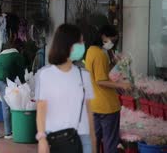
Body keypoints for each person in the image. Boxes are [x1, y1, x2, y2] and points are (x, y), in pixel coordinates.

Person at [35, 24, 95, 153]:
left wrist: (93, 143)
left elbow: (89, 113)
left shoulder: (84, 75)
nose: (83, 45)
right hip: (56, 139)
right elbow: (41, 109)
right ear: (69, 45)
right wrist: (41, 138)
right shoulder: (46, 75)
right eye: (80, 41)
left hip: (83, 139)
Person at [84, 24, 130, 153]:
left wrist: (113, 62)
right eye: (112, 40)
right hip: (107, 107)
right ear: (103, 36)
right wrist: (122, 85)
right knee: (110, 143)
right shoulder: (100, 55)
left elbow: (101, 74)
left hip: (94, 105)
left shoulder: (91, 50)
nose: (112, 43)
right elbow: (100, 80)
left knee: (94, 142)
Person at [0, 37, 26, 139]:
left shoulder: (2, 55)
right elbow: (21, 72)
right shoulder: (17, 55)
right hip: (2, 80)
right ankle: (8, 133)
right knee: (6, 106)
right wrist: (23, 84)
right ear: (20, 48)